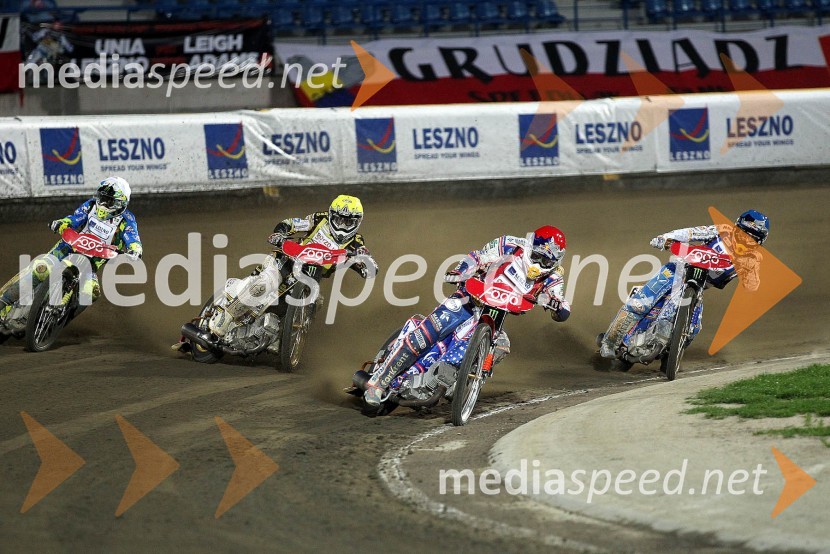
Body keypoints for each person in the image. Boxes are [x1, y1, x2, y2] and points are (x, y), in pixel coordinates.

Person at [364, 225, 571, 407]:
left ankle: (460, 382)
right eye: (536, 256)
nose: (538, 264)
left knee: (500, 346)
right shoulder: (509, 244)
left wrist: (557, 306)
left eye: (545, 260)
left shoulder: (553, 276)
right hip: (469, 298)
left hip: (496, 315)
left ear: (555, 262)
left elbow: (560, 302)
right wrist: (462, 270)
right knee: (427, 333)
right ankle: (378, 383)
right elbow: (478, 256)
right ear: (530, 246)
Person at [599, 209, 769, 359]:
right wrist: (666, 239)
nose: (745, 239)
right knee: (639, 304)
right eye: (743, 233)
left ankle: (669, 354)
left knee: (693, 329)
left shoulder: (753, 259)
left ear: (759, 242)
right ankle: (609, 342)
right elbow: (690, 233)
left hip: (699, 287)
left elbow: (751, 286)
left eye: (752, 238)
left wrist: (749, 272)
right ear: (736, 228)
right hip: (677, 270)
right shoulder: (721, 231)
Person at [0, 176, 142, 317]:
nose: (102, 202)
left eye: (108, 200)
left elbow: (132, 237)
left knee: (91, 292)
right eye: (102, 197)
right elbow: (75, 218)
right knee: (41, 269)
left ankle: (57, 322)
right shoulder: (91, 205)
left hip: (90, 263)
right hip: (67, 248)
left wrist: (135, 250)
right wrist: (62, 223)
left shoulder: (126, 220)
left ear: (120, 203)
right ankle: (4, 301)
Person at [266, 194, 378, 280]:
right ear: (331, 215)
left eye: (348, 222)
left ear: (357, 222)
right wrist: (280, 233)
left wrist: (364, 265)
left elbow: (370, 264)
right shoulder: (320, 219)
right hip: (290, 259)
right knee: (268, 277)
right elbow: (292, 223)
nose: (342, 225)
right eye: (339, 220)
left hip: (314, 275)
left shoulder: (356, 242)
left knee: (318, 302)